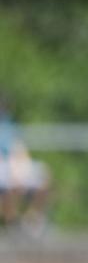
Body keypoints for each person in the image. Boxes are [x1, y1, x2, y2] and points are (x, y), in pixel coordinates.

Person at [0, 96, 51, 236]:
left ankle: (31, 219)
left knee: (43, 175)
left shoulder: (10, 125)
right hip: (3, 165)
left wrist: (21, 166)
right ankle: (13, 222)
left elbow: (19, 148)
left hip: (15, 162)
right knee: (9, 186)